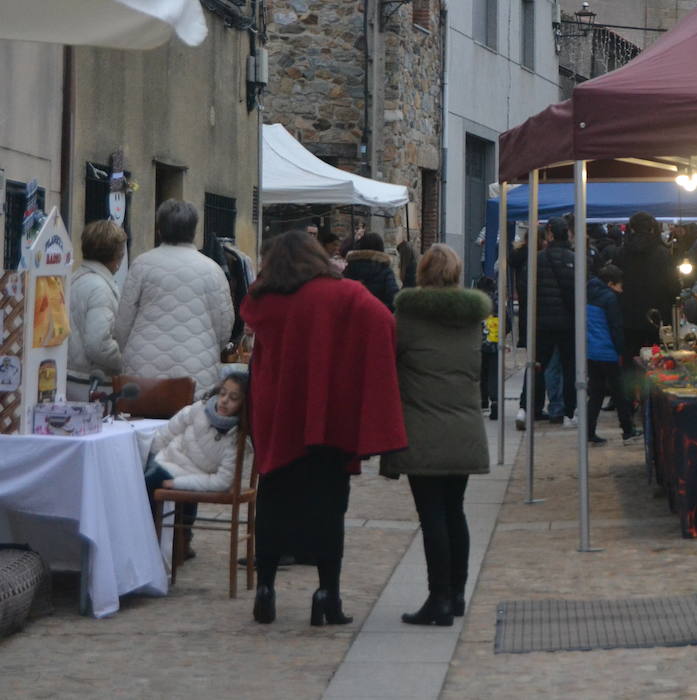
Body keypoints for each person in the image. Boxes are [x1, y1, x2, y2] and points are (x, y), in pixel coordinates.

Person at [241, 230, 406, 627]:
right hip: (326, 414)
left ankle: (265, 591)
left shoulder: (265, 298)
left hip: (278, 412)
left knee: (273, 500)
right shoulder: (344, 294)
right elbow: (385, 320)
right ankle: (325, 594)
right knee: (329, 506)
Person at [380, 244, 491, 626]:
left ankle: (438, 598)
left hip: (423, 428)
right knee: (454, 511)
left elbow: (389, 364)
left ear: (421, 273)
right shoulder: (472, 318)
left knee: (432, 517)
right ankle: (457, 594)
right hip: (463, 427)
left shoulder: (407, 317)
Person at [113, 200, 234, 397]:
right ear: (194, 230)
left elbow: (123, 323)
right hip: (197, 368)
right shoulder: (212, 270)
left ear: (159, 229)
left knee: (141, 423)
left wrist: (130, 351)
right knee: (190, 424)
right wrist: (209, 347)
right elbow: (224, 326)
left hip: (143, 367)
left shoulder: (142, 265)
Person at [145, 373, 250, 555]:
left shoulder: (237, 438)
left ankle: (167, 543)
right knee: (145, 475)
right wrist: (153, 455)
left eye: (233, 398)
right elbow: (168, 432)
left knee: (158, 481)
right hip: (169, 461)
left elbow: (222, 482)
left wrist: (178, 483)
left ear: (244, 404)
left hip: (193, 476)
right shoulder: (199, 409)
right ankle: (161, 540)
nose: (224, 401)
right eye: (222, 393)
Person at [67, 220, 127, 400]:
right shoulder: (101, 288)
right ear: (117, 254)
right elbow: (98, 345)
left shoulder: (75, 278)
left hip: (72, 377)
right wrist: (125, 358)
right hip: (90, 382)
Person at [585, 265, 640, 445]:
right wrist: (619, 349)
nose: (621, 289)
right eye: (619, 285)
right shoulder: (610, 298)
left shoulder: (588, 292)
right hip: (607, 351)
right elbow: (616, 327)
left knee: (596, 394)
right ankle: (627, 429)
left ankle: (589, 430)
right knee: (620, 393)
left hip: (592, 351)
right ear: (610, 283)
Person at [615, 211, 678, 360]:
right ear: (652, 229)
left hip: (629, 317)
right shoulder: (663, 254)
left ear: (631, 229)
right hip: (658, 316)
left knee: (631, 359)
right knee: (658, 359)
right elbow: (673, 286)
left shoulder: (621, 253)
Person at [534, 218, 577, 426]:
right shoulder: (574, 259)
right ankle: (569, 411)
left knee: (546, 365)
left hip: (544, 322)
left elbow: (528, 289)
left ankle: (551, 408)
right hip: (568, 322)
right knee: (569, 367)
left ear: (550, 234)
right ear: (567, 234)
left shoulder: (538, 259)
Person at [343, 232, 400, 310]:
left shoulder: (349, 268)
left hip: (352, 316)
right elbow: (394, 299)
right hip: (378, 316)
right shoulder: (384, 270)